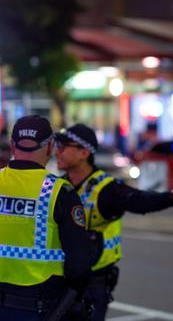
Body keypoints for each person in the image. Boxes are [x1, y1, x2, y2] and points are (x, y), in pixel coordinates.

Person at [54, 123, 173, 321]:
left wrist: (172, 197)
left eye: (63, 147)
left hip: (93, 283)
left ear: (84, 152)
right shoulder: (58, 187)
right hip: (62, 279)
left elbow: (139, 201)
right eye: (56, 146)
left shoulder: (107, 188)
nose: (57, 151)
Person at [0, 115, 98, 320]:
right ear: (50, 147)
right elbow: (78, 265)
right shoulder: (58, 193)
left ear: (12, 145)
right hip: (38, 307)